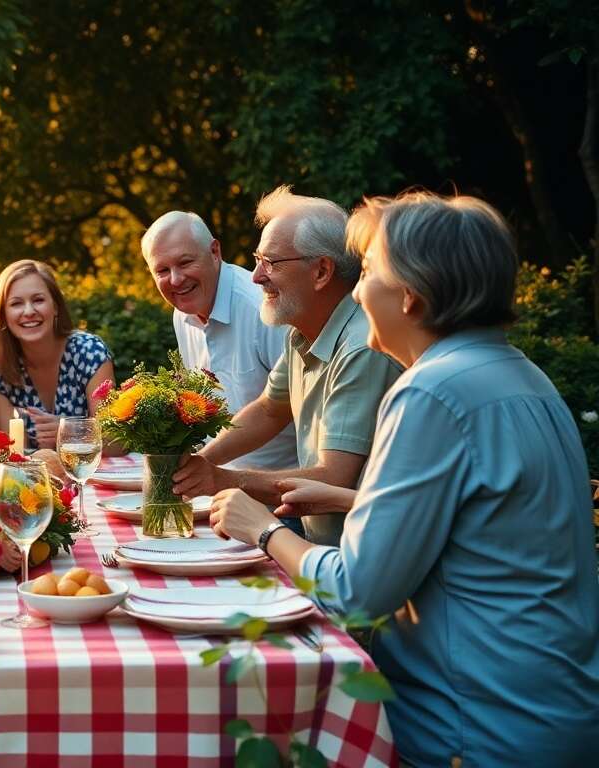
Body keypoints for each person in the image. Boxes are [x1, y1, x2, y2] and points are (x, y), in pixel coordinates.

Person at [208, 192, 599, 766]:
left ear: (411, 295)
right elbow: (484, 528)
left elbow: (358, 591)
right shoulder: (527, 378)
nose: (356, 291)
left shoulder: (429, 392)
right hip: (554, 712)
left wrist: (264, 530)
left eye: (367, 272)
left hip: (472, 728)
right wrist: (351, 499)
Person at [171, 186, 402, 545]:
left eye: (271, 262)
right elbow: (268, 409)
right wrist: (200, 462)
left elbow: (334, 478)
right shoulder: (304, 330)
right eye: (257, 259)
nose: (255, 276)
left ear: (321, 271)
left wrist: (223, 480)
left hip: (353, 552)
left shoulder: (361, 348)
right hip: (319, 543)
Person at [142, 211, 298, 471]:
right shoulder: (182, 314)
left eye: (185, 262)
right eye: (162, 270)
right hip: (213, 478)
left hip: (278, 484)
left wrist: (201, 463)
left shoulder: (262, 309)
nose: (176, 279)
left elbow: (285, 406)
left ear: (215, 252)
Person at [0, 259, 116, 451]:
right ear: (3, 315)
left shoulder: (90, 352)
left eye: (38, 300)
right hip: (34, 470)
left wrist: (69, 434)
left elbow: (116, 442)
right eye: (16, 303)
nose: (29, 311)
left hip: (90, 469)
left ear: (55, 306)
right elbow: (15, 451)